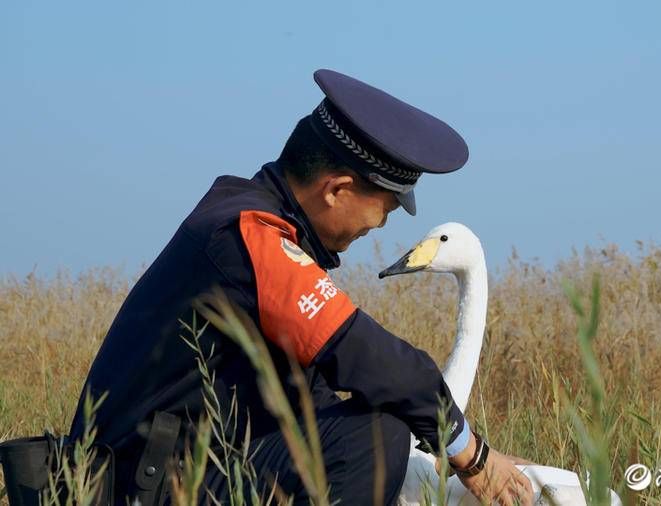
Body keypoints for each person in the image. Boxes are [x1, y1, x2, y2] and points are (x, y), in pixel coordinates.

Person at [68, 69, 534, 505]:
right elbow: (361, 352)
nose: (374, 229)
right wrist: (470, 454)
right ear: (337, 190)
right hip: (140, 486)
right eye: (382, 214)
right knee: (374, 439)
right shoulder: (246, 234)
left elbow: (309, 399)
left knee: (369, 428)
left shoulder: (250, 217)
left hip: (176, 471)